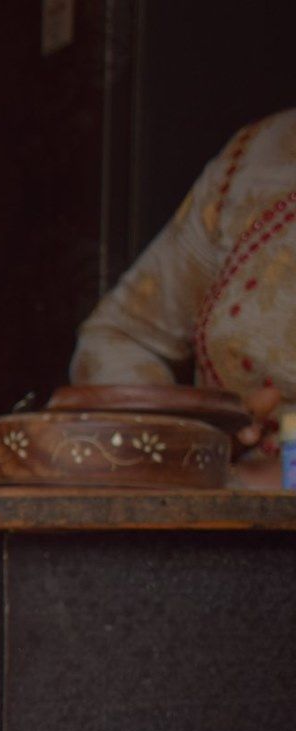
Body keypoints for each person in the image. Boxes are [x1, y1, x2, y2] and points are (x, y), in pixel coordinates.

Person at [70, 109, 296, 488]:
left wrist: (280, 483)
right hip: (218, 511)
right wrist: (188, 443)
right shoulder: (258, 160)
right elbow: (118, 336)